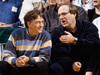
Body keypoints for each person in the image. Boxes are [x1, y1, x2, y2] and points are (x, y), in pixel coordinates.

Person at [50, 3, 99, 75]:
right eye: (59, 15)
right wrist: (71, 64)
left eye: (64, 14)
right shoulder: (57, 32)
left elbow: (94, 46)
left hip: (88, 64)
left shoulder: (89, 27)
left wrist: (75, 41)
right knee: (55, 67)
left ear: (74, 14)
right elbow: (58, 54)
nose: (61, 17)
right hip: (68, 65)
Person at [0, 10, 52, 75]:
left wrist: (29, 60)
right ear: (29, 24)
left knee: (41, 65)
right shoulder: (16, 34)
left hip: (34, 67)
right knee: (2, 64)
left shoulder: (46, 35)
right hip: (18, 66)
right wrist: (16, 61)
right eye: (37, 22)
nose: (41, 25)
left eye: (42, 22)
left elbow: (45, 59)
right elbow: (6, 54)